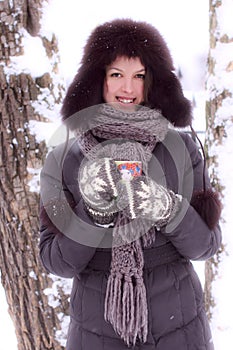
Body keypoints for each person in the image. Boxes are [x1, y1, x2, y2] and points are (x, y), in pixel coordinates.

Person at [39, 19, 222, 350]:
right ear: (98, 80)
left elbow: (206, 246)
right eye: (116, 74)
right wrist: (92, 211)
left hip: (179, 328)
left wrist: (168, 208)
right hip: (95, 331)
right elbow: (56, 260)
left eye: (139, 76)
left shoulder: (182, 149)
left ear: (153, 82)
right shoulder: (64, 158)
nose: (128, 88)